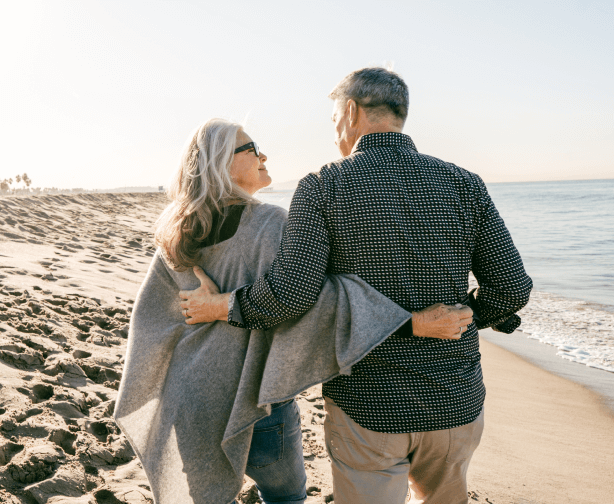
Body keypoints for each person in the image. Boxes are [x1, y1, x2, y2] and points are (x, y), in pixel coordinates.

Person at [180, 68, 533, 504]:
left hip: (368, 403)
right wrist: (467, 318)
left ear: (350, 112)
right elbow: (512, 289)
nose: (334, 134)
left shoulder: (323, 186)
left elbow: (290, 296)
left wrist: (221, 306)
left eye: (333, 121)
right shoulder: (464, 183)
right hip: (454, 399)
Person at [114, 118, 474, 504]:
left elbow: (151, 319)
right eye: (250, 149)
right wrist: (410, 322)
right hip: (254, 402)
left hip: (189, 398)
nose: (262, 155)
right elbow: (311, 302)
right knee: (285, 497)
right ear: (221, 163)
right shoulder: (270, 223)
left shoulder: (175, 229)